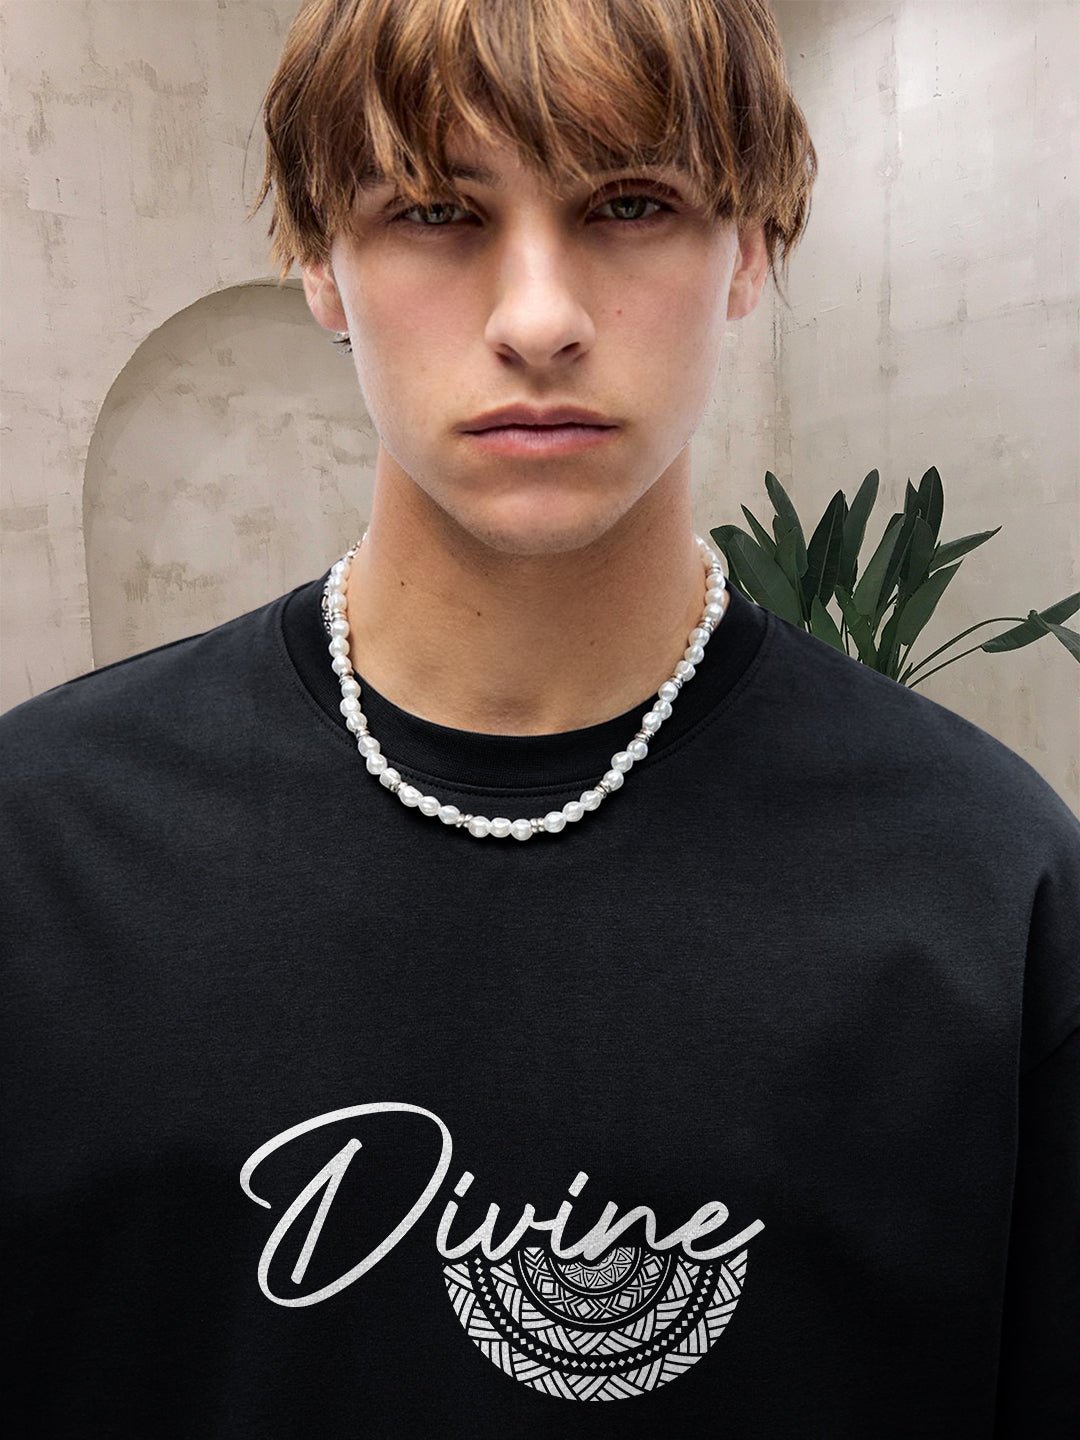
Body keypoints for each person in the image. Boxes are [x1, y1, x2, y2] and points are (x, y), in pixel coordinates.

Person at [2, 0, 1077, 1434]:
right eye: (436, 210)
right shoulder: (42, 854)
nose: (537, 320)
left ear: (751, 248)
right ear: (319, 260)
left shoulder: (987, 886)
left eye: (630, 204)